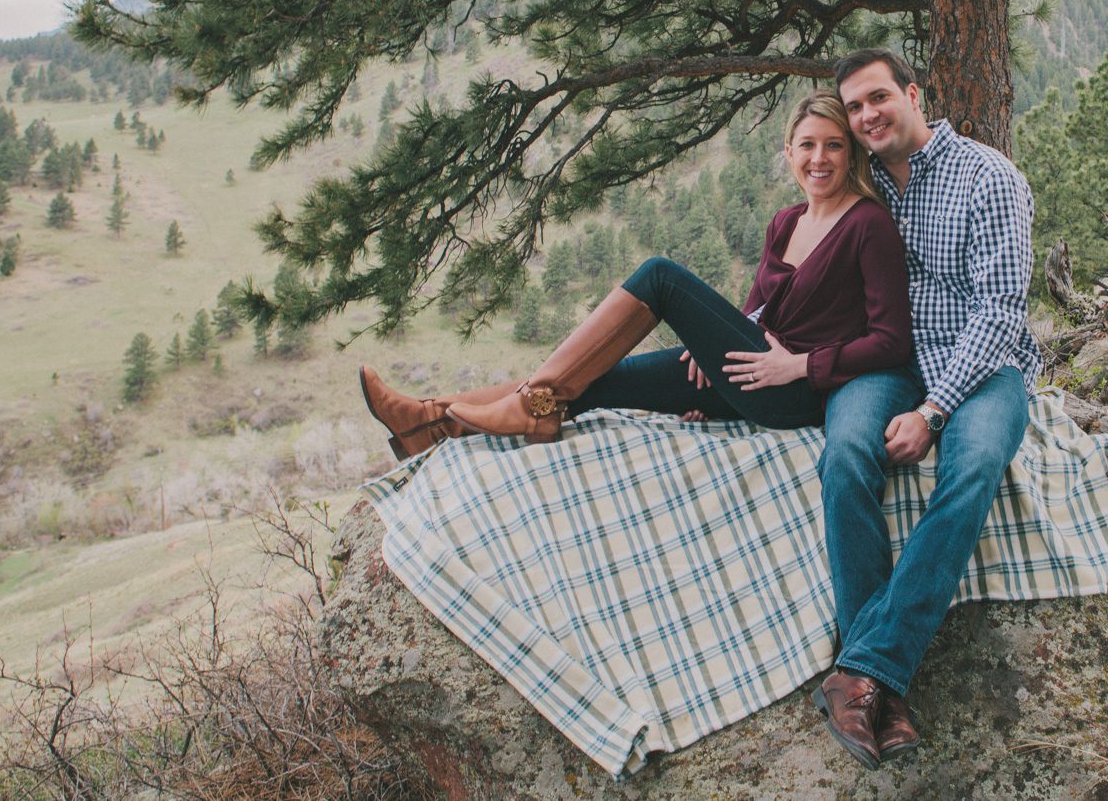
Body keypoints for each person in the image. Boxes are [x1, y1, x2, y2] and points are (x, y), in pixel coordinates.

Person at [357, 91, 911, 456]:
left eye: (835, 146)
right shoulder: (786, 222)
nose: (820, 158)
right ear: (788, 152)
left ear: (852, 156)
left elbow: (890, 343)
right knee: (596, 379)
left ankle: (529, 406)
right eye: (808, 145)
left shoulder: (867, 225)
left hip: (793, 393)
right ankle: (430, 424)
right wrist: (708, 341)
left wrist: (800, 366)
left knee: (660, 277)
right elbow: (758, 313)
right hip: (741, 371)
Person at [811, 48, 1039, 769]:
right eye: (855, 106)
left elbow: (1001, 311)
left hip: (983, 366)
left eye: (880, 97)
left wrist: (936, 409)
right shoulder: (864, 182)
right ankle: (882, 690)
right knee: (845, 451)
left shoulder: (988, 176)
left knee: (971, 467)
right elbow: (803, 253)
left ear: (913, 93)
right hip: (892, 360)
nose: (868, 114)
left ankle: (865, 667)